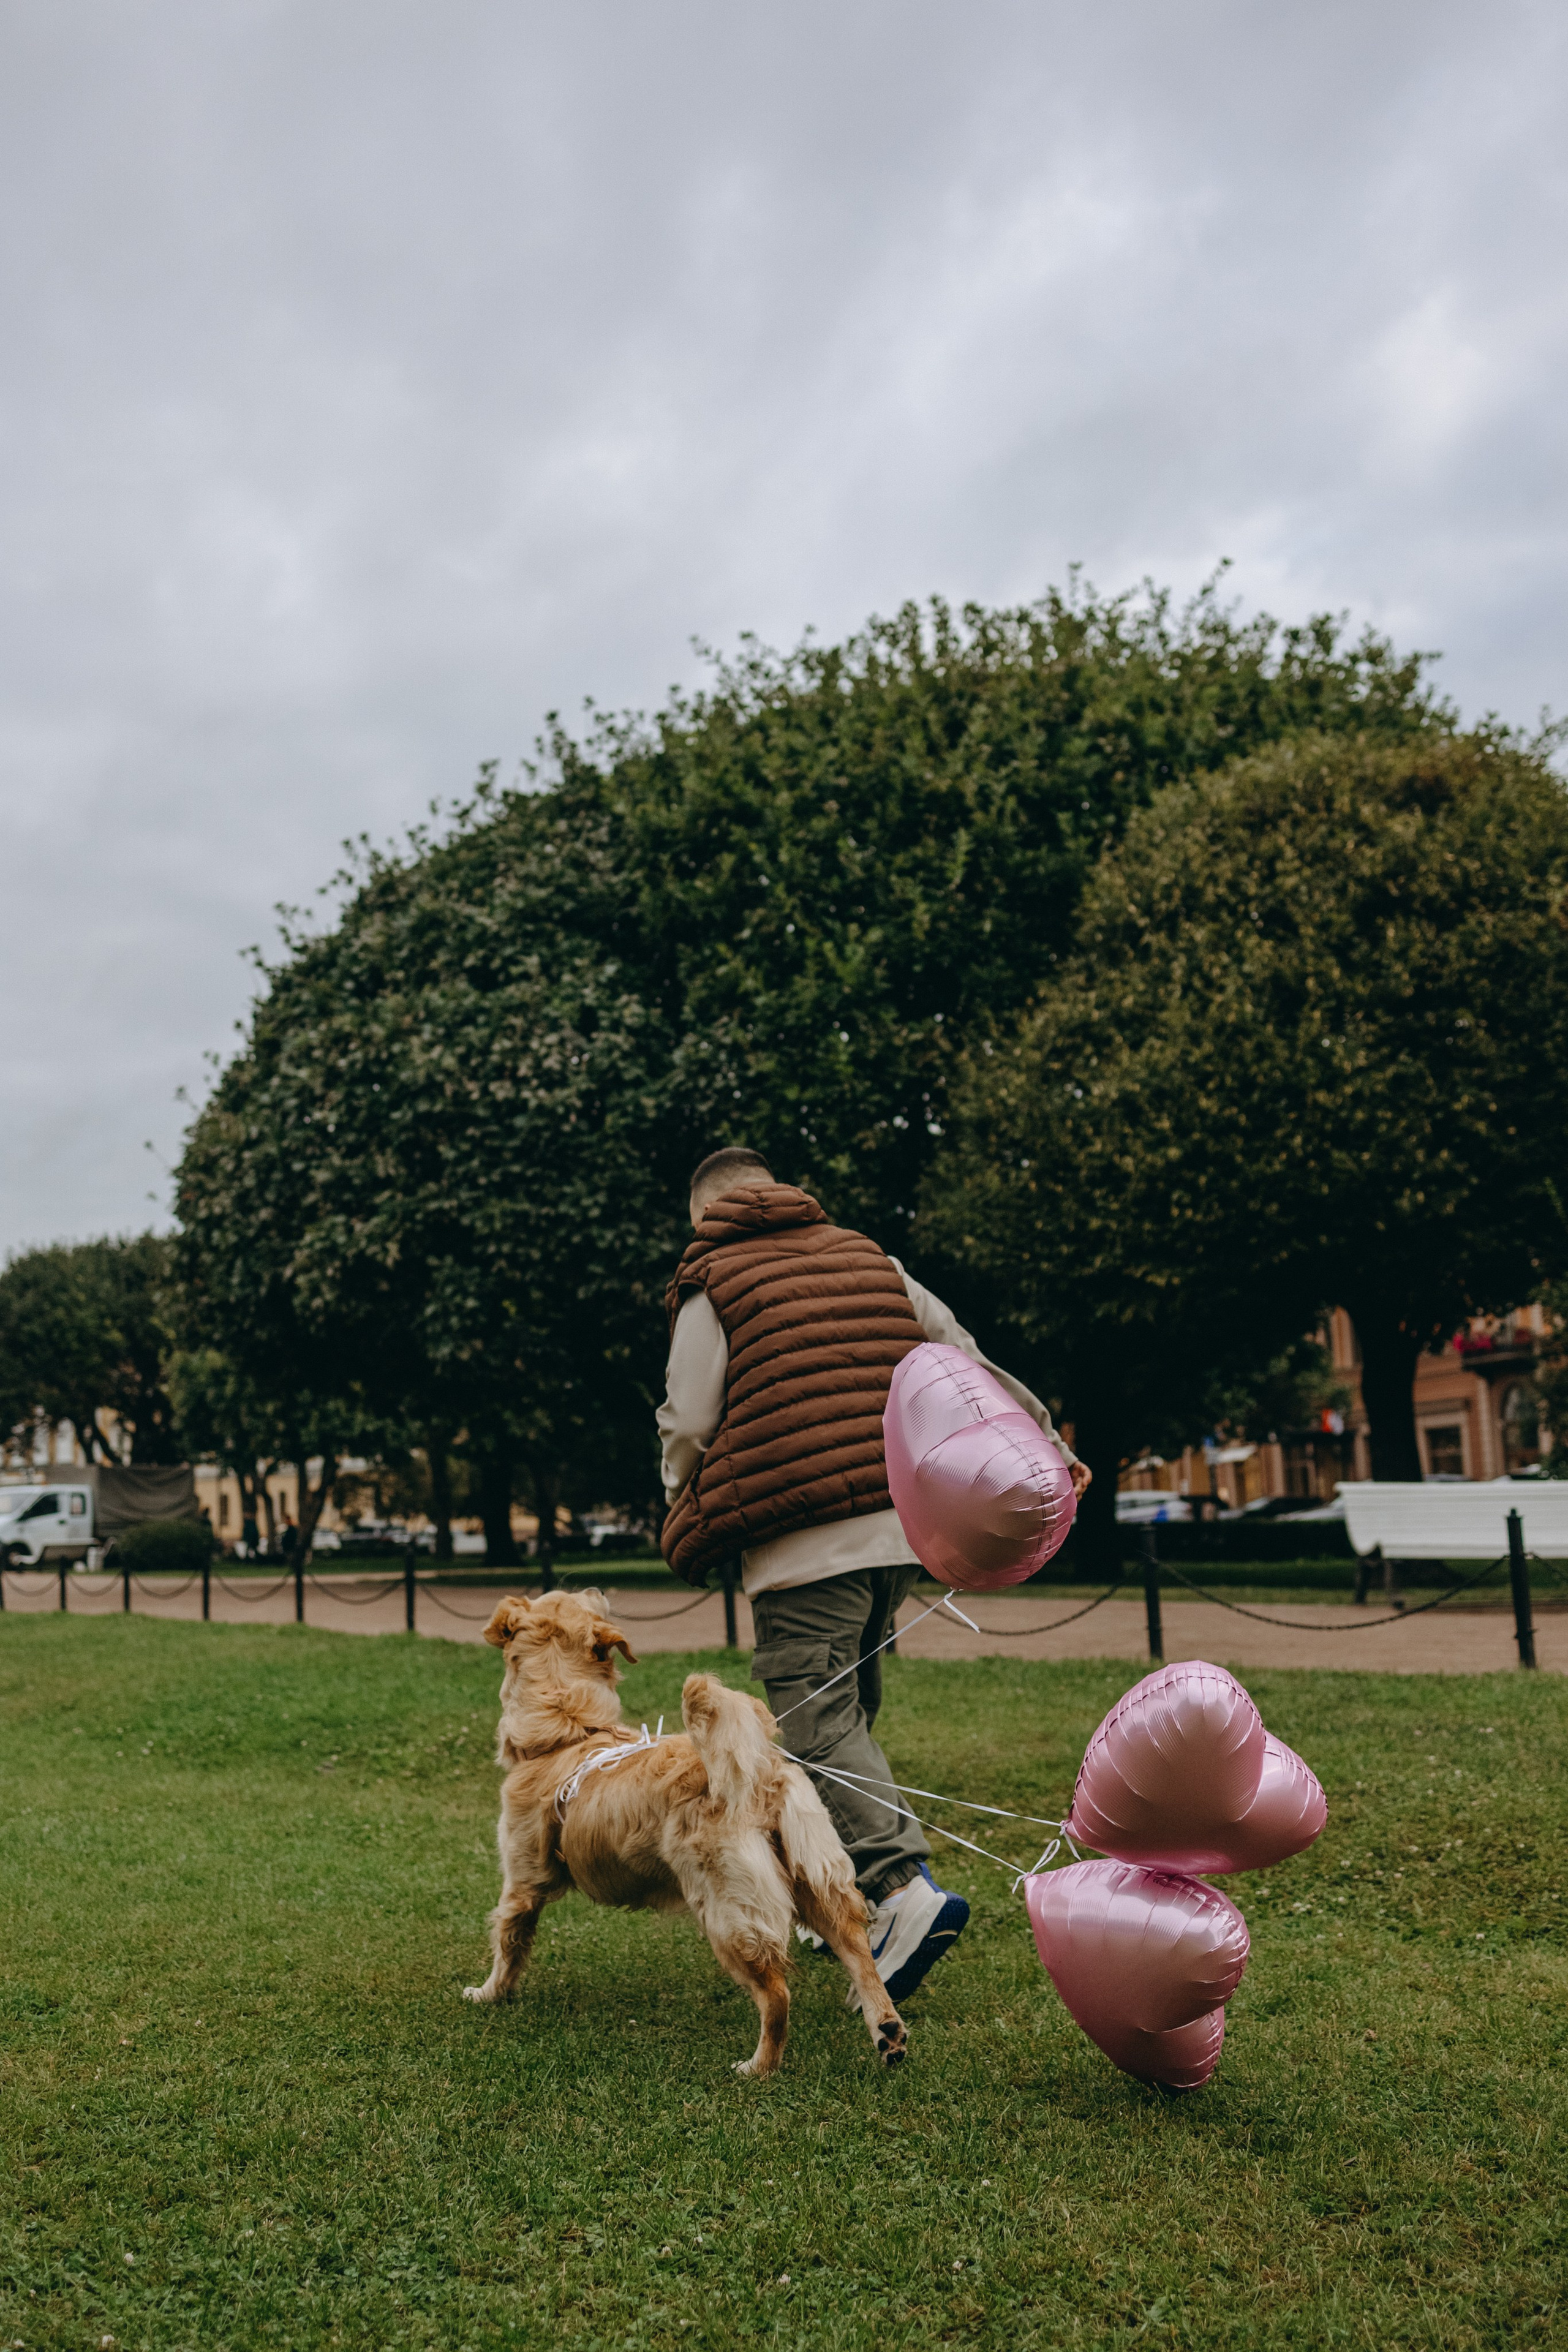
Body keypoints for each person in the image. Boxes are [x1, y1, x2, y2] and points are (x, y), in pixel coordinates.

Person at [657, 1147, 1091, 2007]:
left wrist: (679, 1495)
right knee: (846, 1711)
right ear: (781, 1192)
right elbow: (958, 1356)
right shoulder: (870, 1257)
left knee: (810, 1719)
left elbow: (691, 1415)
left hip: (804, 1537)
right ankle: (834, 1903)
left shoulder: (712, 1282)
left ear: (704, 1211)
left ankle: (901, 1891)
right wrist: (1044, 1436)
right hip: (903, 1525)